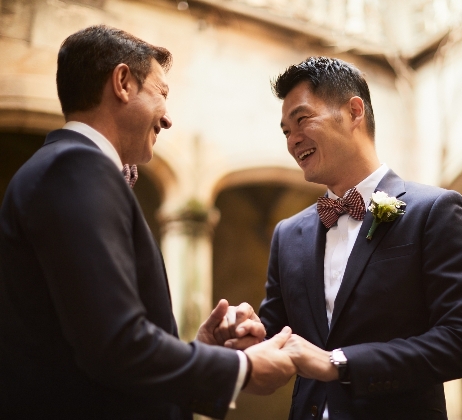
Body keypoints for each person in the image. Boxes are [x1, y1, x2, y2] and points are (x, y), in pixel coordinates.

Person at [0, 25, 295, 420]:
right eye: (162, 94)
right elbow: (116, 345)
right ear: (122, 82)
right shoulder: (75, 166)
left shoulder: (64, 166)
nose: (168, 118)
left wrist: (200, 348)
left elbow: (93, 336)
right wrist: (244, 368)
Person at [257, 57, 462, 419]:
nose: (293, 140)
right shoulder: (288, 234)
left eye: (302, 120)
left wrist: (339, 363)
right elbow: (275, 342)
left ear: (354, 112)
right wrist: (244, 339)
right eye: (285, 131)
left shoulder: (434, 211)